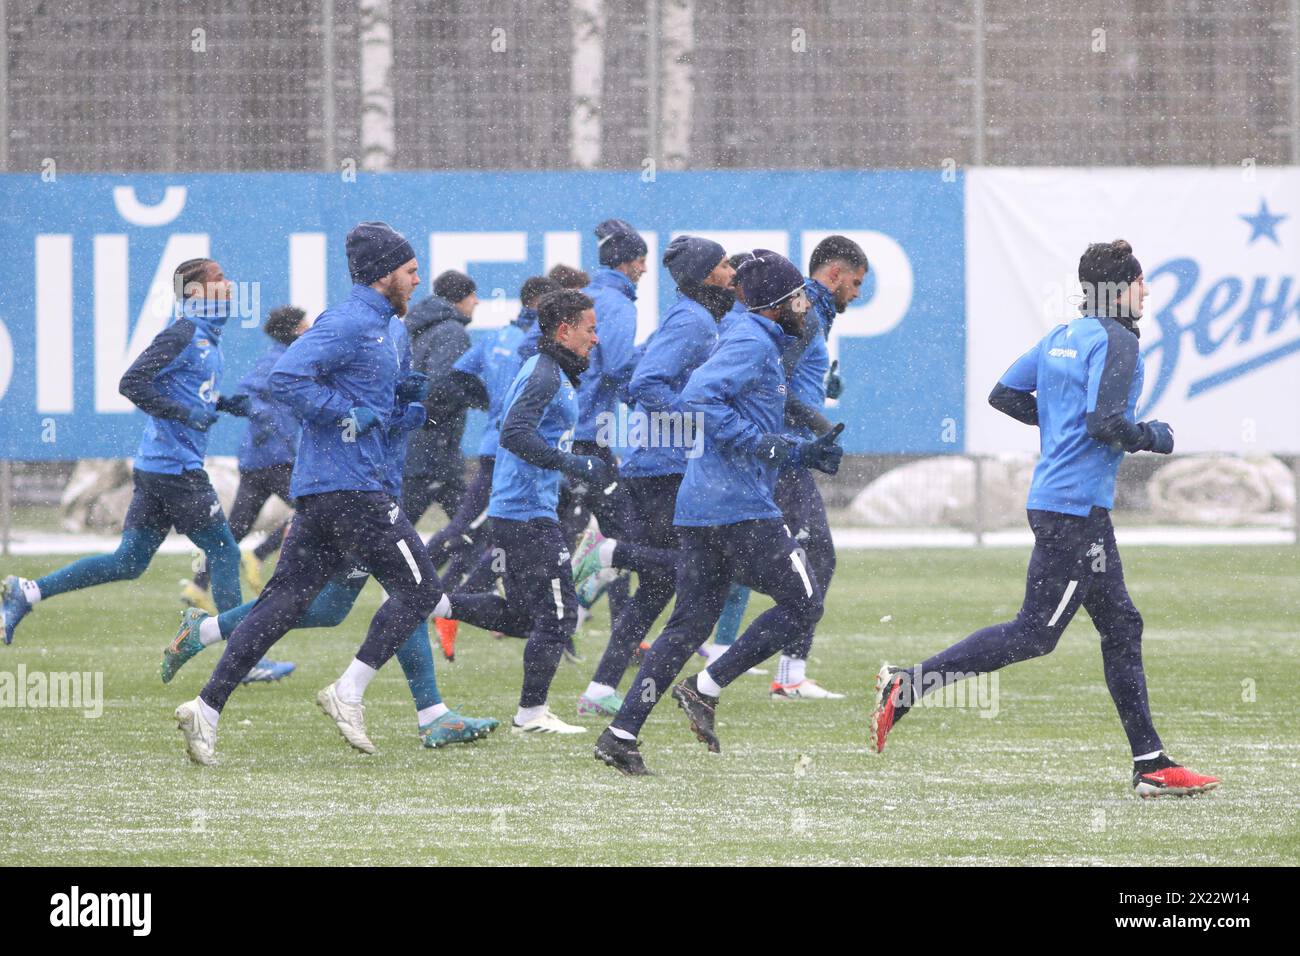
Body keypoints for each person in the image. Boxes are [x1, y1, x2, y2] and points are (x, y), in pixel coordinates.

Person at [868, 239, 1220, 799]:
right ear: (1119, 289)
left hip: (1064, 506)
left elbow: (1003, 395)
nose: (1146, 290)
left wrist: (1057, 424)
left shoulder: (1063, 336)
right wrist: (1155, 436)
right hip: (1074, 511)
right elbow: (1106, 423)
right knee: (1036, 633)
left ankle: (1150, 762)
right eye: (1139, 281)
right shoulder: (1118, 341)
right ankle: (909, 685)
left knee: (1122, 625)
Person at [173, 222, 460, 764]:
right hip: (352, 488)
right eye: (410, 270)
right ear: (382, 276)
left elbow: (375, 407)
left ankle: (205, 708)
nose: (418, 279)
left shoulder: (391, 329)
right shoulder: (348, 319)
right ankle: (348, 691)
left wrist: (405, 407)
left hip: (333, 489)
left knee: (283, 603)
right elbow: (288, 378)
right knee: (421, 591)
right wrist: (345, 413)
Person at [594, 251, 845, 776]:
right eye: (799, 296)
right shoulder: (754, 342)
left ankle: (621, 733)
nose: (806, 304)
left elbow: (745, 413)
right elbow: (703, 398)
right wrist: (765, 444)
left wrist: (801, 448)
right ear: (779, 306)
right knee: (803, 603)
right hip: (739, 507)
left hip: (703, 506)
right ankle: (704, 689)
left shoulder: (754, 336)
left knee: (687, 626)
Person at [3, 258, 247, 646]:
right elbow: (132, 382)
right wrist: (186, 413)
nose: (231, 285)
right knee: (225, 552)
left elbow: (185, 393)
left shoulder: (204, 335)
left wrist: (226, 404)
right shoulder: (184, 332)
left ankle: (28, 591)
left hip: (157, 467)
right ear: (198, 291)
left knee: (128, 562)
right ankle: (242, 653)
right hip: (176, 470)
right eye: (221, 278)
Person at [574, 236, 736, 718]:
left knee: (658, 586)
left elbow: (641, 368)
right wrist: (695, 417)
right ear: (707, 274)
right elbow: (645, 383)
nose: (733, 272)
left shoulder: (694, 317)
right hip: (665, 470)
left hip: (659, 466)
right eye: (726, 265)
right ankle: (608, 551)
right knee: (686, 571)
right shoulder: (692, 320)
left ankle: (601, 687)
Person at [470, 288, 606, 735]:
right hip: (525, 512)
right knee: (560, 613)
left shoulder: (553, 370)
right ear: (564, 330)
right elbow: (514, 433)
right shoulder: (546, 373)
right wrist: (569, 463)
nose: (596, 338)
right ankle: (531, 715)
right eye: (590, 329)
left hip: (528, 508)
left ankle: (437, 604)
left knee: (529, 617)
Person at [423, 275, 559, 660]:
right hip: (513, 454)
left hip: (502, 447)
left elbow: (459, 377)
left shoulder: (499, 337)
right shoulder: (538, 344)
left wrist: (489, 404)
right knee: (466, 529)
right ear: (542, 303)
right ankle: (419, 590)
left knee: (490, 536)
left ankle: (459, 601)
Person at [766, 235, 868, 700]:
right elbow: (771, 386)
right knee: (816, 556)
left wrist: (822, 390)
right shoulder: (805, 313)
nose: (858, 293)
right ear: (834, 274)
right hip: (785, 455)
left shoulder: (812, 313)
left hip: (783, 451)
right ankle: (788, 674)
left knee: (720, 566)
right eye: (856, 282)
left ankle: (614, 555)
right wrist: (818, 422)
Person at [181, 305, 309, 614]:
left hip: (260, 458)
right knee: (311, 510)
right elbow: (246, 396)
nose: (310, 329)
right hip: (272, 457)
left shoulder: (286, 356)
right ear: (293, 330)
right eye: (306, 325)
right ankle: (261, 556)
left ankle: (198, 586)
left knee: (236, 527)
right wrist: (273, 425)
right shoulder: (279, 359)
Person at [401, 269, 479, 528]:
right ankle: (347, 570)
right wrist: (479, 396)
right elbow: (445, 385)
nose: (476, 302)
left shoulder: (421, 329)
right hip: (436, 451)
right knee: (470, 530)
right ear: (460, 299)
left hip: (420, 448)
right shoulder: (452, 332)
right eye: (472, 296)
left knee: (467, 530)